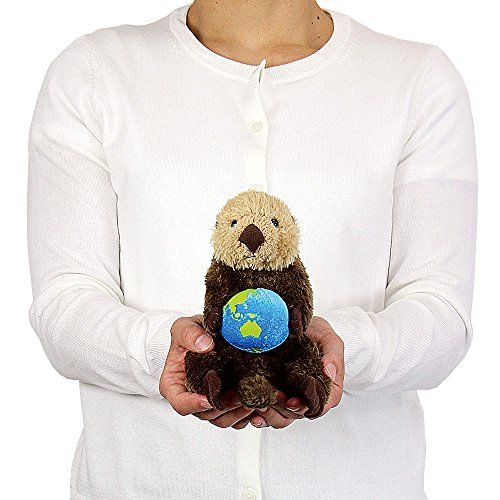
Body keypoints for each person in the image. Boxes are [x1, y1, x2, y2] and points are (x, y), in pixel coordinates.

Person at [27, 0, 477, 498]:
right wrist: (168, 352)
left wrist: (328, 351)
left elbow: (441, 315)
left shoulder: (416, 80)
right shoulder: (95, 73)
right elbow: (65, 304)